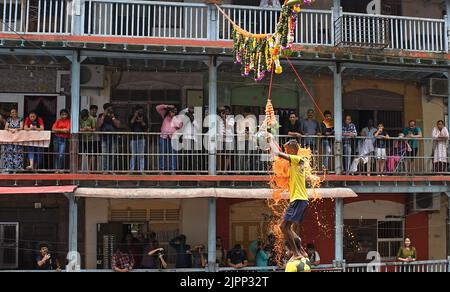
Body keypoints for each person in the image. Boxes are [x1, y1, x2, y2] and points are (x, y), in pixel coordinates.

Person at [268, 138, 309, 258]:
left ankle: (296, 253)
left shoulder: (298, 159)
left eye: (287, 150)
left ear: (292, 150)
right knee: (288, 228)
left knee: (283, 227)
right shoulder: (296, 163)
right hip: (300, 200)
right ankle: (301, 250)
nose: (286, 151)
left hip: (298, 199)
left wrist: (271, 142)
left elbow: (279, 154)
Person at [156, 104, 182, 173]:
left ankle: (172, 170)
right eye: (171, 111)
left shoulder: (177, 118)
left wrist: (174, 117)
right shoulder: (164, 115)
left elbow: (180, 125)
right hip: (163, 137)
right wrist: (166, 106)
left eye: (174, 111)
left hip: (173, 138)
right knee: (162, 153)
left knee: (173, 154)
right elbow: (157, 108)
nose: (172, 112)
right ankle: (162, 169)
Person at [97, 103, 121, 172]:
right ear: (105, 109)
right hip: (104, 138)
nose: (110, 110)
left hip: (113, 138)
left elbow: (118, 125)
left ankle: (111, 170)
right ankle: (105, 170)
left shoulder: (114, 115)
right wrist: (103, 116)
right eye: (109, 109)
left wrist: (113, 117)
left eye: (111, 109)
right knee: (104, 154)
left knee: (112, 154)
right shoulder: (101, 115)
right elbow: (99, 125)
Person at [180, 107, 201, 172]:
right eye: (190, 109)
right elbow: (181, 112)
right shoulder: (184, 117)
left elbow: (198, 127)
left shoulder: (196, 117)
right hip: (186, 138)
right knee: (186, 155)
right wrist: (187, 110)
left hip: (193, 139)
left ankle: (195, 170)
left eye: (192, 109)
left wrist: (193, 120)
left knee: (194, 156)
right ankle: (185, 170)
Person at [129, 105, 148, 173]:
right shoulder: (131, 116)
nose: (140, 112)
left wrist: (141, 121)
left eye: (141, 111)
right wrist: (134, 116)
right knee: (133, 155)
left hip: (141, 138)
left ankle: (141, 170)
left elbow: (146, 128)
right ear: (135, 111)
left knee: (141, 155)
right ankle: (131, 170)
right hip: (133, 138)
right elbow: (130, 125)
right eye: (138, 111)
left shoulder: (144, 117)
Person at [217, 106, 235, 173]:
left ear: (229, 112)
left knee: (227, 155)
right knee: (219, 154)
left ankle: (225, 170)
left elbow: (227, 127)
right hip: (220, 139)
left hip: (229, 139)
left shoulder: (231, 119)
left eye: (226, 111)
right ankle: (218, 170)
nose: (225, 112)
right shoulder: (219, 118)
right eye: (224, 111)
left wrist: (224, 119)